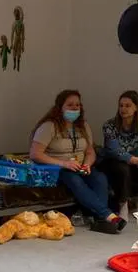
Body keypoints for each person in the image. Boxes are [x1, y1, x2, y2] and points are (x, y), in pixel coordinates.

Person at [30, 89, 126, 234]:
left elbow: (90, 151)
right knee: (75, 181)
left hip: (80, 166)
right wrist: (64, 163)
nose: (74, 108)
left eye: (77, 105)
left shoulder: (83, 126)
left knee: (100, 178)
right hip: (58, 168)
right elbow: (35, 154)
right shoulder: (49, 126)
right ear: (60, 107)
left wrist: (87, 164)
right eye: (70, 105)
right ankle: (108, 216)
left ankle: (100, 220)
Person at [99, 90, 138, 217]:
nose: (123, 109)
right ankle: (123, 204)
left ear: (136, 108)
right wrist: (136, 160)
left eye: (128, 106)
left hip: (134, 163)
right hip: (113, 163)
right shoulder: (109, 126)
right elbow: (115, 151)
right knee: (123, 168)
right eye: (121, 105)